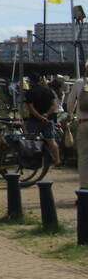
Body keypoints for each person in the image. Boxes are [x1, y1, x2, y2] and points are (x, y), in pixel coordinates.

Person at [23, 71, 61, 167]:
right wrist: (46, 115)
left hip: (34, 120)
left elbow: (31, 108)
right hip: (48, 119)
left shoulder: (30, 92)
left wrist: (40, 117)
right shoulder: (48, 90)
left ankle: (34, 161)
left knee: (32, 141)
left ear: (30, 81)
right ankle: (57, 160)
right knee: (51, 140)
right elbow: (54, 105)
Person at [64, 61, 88, 189]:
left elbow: (70, 103)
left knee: (84, 157)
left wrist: (69, 114)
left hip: (84, 123)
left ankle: (84, 188)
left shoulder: (79, 83)